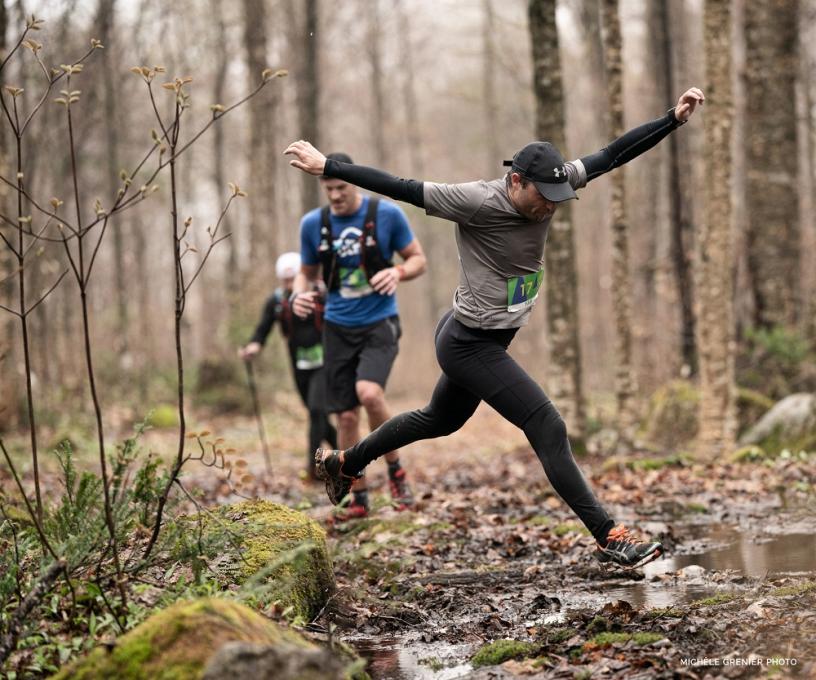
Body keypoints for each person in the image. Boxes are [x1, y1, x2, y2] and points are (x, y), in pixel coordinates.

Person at [285, 88, 705, 567]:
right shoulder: (474, 201)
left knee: (438, 419)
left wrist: (671, 118)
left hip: (482, 335)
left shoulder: (554, 182)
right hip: (469, 343)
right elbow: (400, 185)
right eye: (542, 198)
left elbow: (611, 154)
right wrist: (331, 167)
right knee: (546, 423)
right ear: (516, 181)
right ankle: (610, 535)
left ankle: (345, 461)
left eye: (557, 197)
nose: (550, 206)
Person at [289, 153, 428, 522]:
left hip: (379, 322)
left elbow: (418, 259)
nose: (336, 195)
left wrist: (398, 273)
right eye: (329, 188)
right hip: (336, 326)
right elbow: (305, 273)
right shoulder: (314, 224)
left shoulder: (385, 216)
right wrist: (298, 294)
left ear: (355, 183)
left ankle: (396, 470)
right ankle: (358, 498)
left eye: (342, 187)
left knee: (369, 394)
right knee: (346, 415)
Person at [239, 251, 336, 480]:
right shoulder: (277, 301)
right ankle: (349, 454)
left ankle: (314, 469)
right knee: (318, 415)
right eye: (285, 280)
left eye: (294, 279)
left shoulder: (322, 294)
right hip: (299, 365)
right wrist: (254, 345)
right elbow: (263, 328)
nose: (290, 285)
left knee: (316, 410)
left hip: (325, 363)